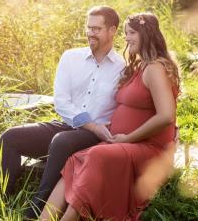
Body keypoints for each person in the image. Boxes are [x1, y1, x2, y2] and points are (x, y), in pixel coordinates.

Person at [40, 12, 180, 221]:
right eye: (125, 33)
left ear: (146, 34)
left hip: (148, 147)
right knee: (74, 161)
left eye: (131, 33)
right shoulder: (139, 66)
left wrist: (127, 138)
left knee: (95, 157)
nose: (126, 38)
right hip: (125, 142)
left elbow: (166, 116)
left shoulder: (155, 68)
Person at [0, 6, 125, 219]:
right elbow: (61, 102)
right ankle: (0, 200)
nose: (91, 33)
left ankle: (37, 207)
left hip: (95, 137)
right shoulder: (70, 57)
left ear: (112, 30)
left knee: (61, 141)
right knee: (10, 137)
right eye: (88, 27)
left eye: (97, 29)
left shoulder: (122, 67)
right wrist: (90, 124)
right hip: (67, 125)